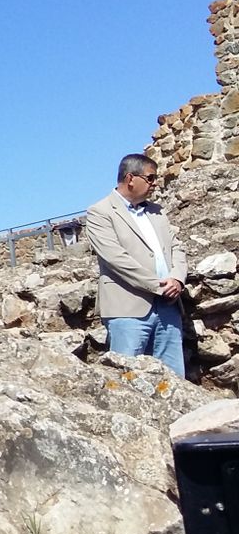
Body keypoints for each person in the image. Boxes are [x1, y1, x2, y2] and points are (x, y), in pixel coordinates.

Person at [86, 153, 187, 377]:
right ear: (131, 178)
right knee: (126, 380)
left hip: (168, 308)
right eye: (150, 178)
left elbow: (177, 247)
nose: (155, 184)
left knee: (175, 380)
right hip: (128, 310)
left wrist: (177, 278)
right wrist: (159, 286)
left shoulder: (157, 211)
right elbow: (116, 259)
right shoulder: (100, 213)